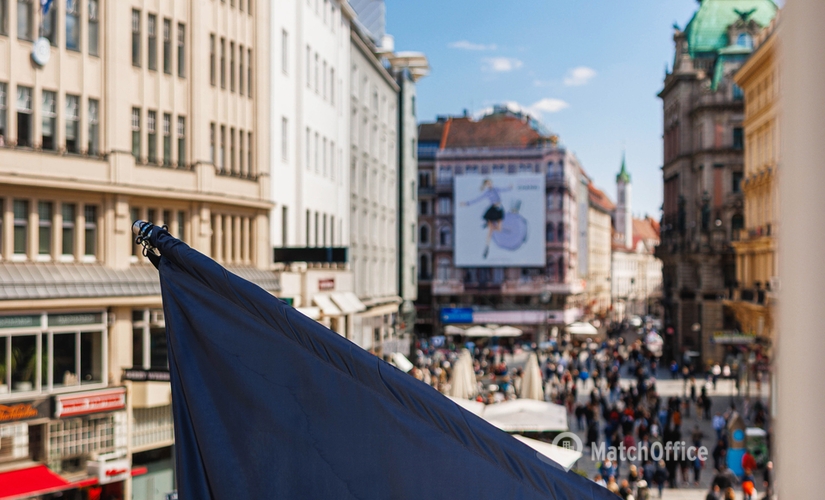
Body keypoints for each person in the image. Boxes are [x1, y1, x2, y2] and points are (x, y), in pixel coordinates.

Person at [460, 178, 513, 259]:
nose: (489, 185)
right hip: (492, 210)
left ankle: (489, 224)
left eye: (490, 183)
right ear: (486, 185)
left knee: (499, 229)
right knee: (490, 231)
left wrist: (509, 187)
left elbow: (504, 189)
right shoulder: (487, 193)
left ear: (492, 183)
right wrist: (467, 203)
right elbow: (477, 199)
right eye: (487, 184)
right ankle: (486, 248)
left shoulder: (496, 189)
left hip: (499, 210)